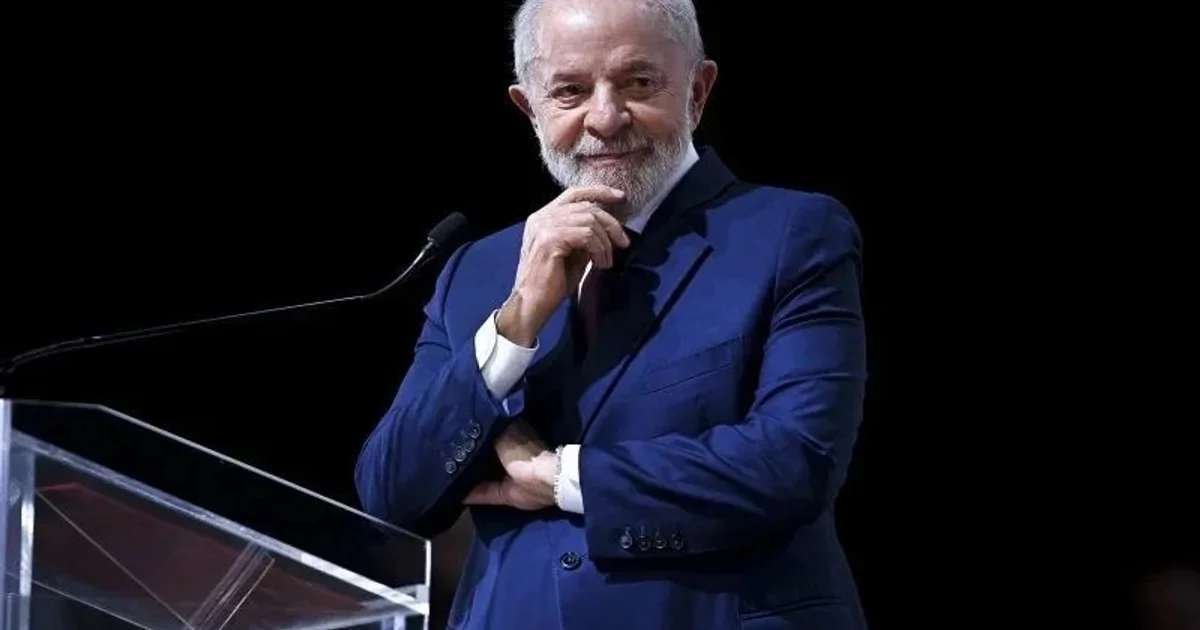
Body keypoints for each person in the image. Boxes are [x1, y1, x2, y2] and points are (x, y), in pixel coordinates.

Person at [354, 1, 868, 627]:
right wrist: (518, 320)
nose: (605, 117)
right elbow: (390, 493)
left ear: (697, 91)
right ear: (530, 108)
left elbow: (795, 460)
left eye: (639, 83)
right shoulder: (479, 270)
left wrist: (562, 476)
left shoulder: (792, 233)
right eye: (569, 92)